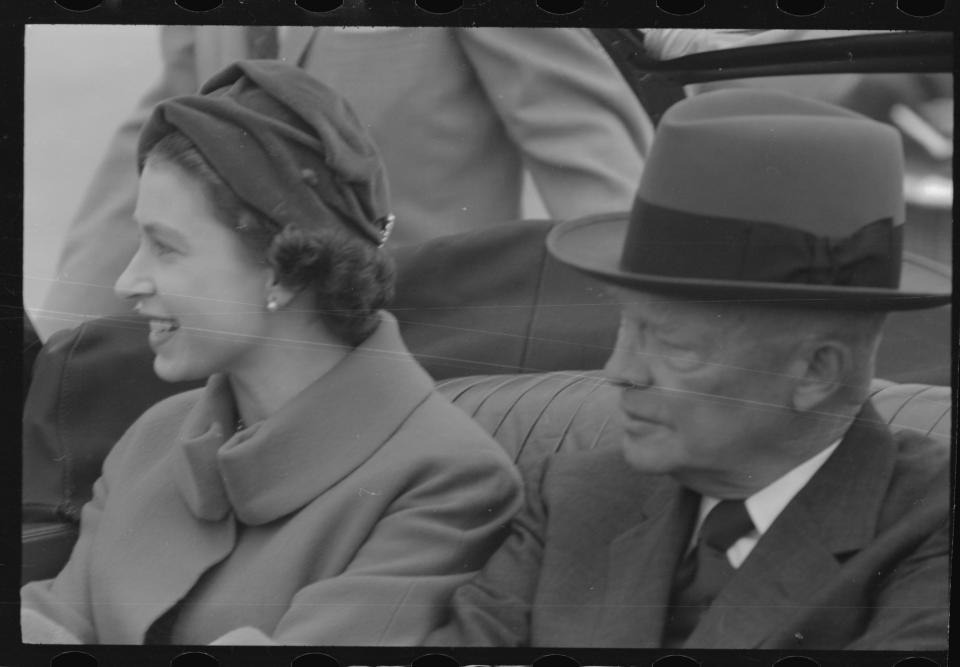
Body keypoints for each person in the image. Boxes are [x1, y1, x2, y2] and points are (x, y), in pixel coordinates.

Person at [427, 89, 951, 650]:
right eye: (626, 328)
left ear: (816, 372)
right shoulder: (576, 497)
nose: (620, 371)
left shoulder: (930, 522)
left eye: (675, 346)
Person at [21, 60, 522, 645]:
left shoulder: (446, 478)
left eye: (166, 248)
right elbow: (51, 622)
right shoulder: (154, 437)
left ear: (285, 270)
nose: (129, 280)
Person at [36, 26, 650, 340]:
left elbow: (589, 160)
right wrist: (59, 337)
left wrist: (655, 336)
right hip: (258, 354)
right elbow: (177, 116)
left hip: (435, 352)